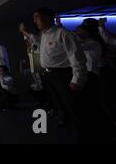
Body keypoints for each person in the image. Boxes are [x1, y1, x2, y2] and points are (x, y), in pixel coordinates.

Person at [19, 8, 94, 142]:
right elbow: (35, 40)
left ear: (47, 18)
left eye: (37, 17)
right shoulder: (44, 35)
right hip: (50, 76)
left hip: (63, 75)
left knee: (74, 108)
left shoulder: (63, 33)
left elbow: (77, 58)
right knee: (61, 107)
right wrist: (24, 32)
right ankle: (72, 133)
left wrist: (77, 80)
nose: (34, 21)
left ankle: (84, 137)